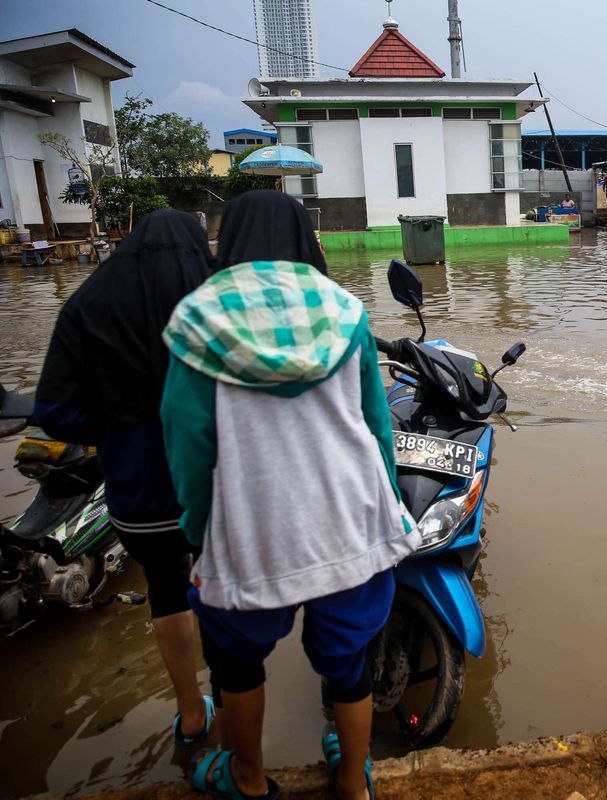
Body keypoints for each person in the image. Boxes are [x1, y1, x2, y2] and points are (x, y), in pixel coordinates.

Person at [162, 190, 420, 800]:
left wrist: (199, 535)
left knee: (236, 662)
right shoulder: (346, 314)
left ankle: (248, 779)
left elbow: (189, 444)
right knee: (348, 663)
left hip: (252, 525)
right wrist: (386, 510)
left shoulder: (198, 320)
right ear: (308, 240)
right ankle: (354, 782)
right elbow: (376, 424)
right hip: (346, 519)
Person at [35, 210, 219, 750]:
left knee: (166, 591)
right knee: (227, 590)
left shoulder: (86, 305)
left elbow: (54, 411)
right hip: (213, 487)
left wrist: (117, 425)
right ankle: (240, 700)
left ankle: (190, 715)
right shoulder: (218, 303)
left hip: (139, 494)